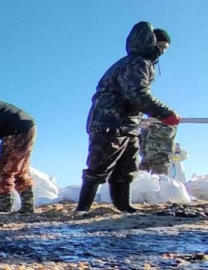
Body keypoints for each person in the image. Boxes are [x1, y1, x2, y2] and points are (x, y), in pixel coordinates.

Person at [76, 22, 180, 213]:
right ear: (150, 43)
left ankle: (123, 205)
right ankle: (83, 207)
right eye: (160, 47)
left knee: (126, 167)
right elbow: (136, 93)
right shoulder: (136, 63)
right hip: (110, 123)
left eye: (165, 49)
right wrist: (165, 113)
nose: (162, 52)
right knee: (100, 165)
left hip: (129, 125)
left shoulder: (143, 64)